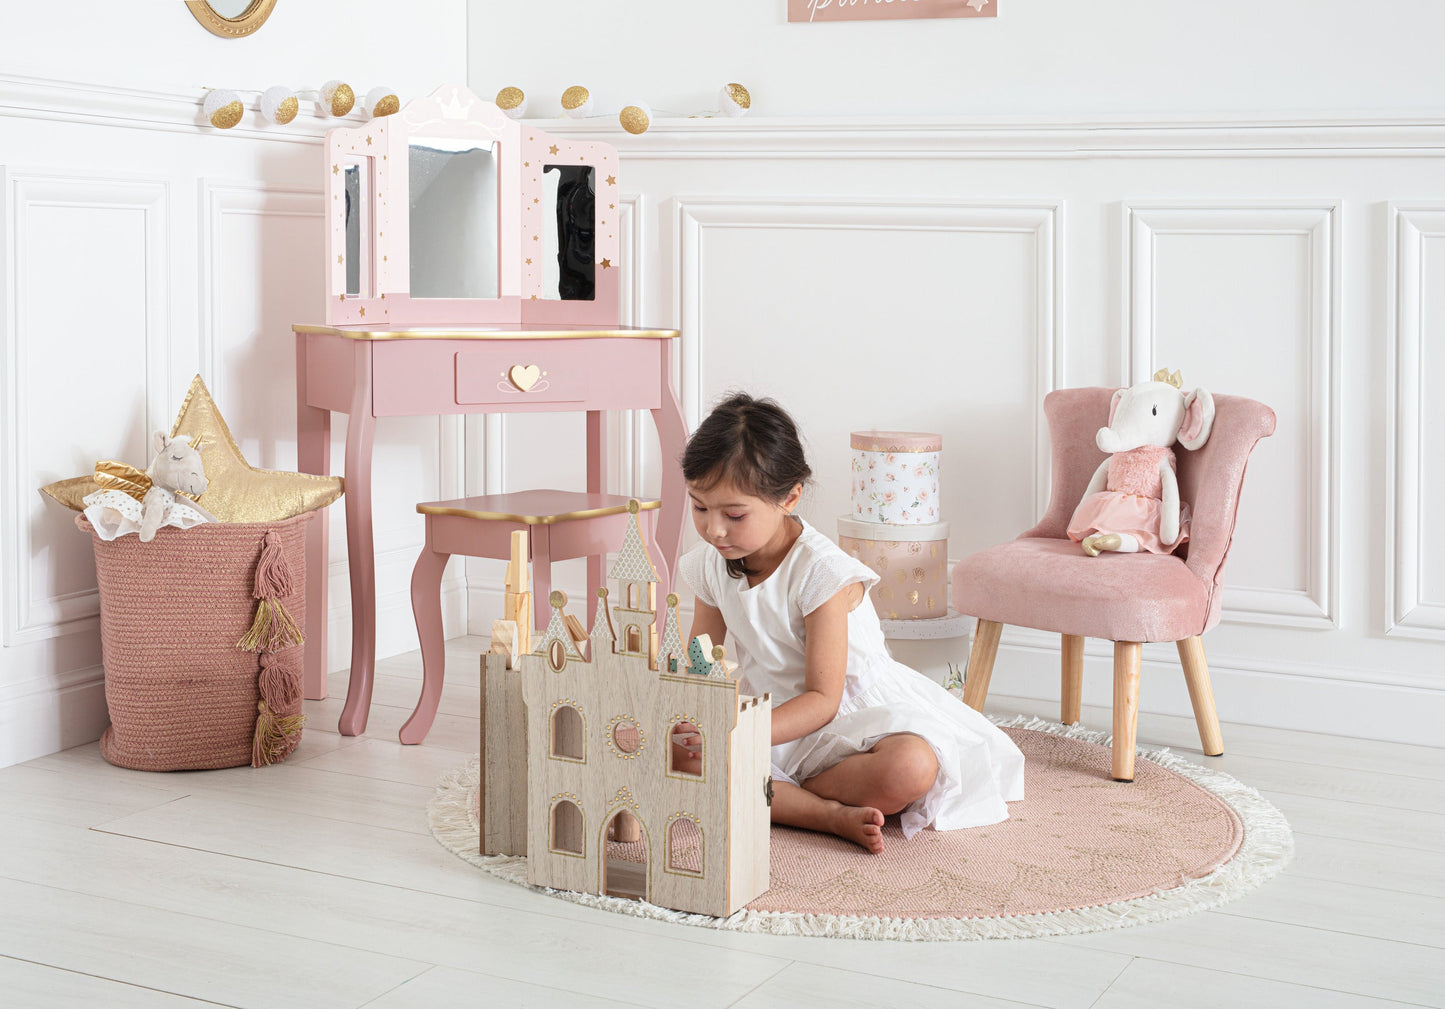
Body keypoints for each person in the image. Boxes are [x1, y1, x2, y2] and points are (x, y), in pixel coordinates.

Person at [676, 393, 1025, 853]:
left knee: (912, 767)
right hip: (766, 714)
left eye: (734, 514)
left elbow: (823, 699)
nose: (714, 529)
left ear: (790, 497)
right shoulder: (709, 565)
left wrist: (739, 733)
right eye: (700, 508)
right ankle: (823, 813)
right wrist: (692, 715)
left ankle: (774, 789)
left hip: (847, 718)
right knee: (675, 749)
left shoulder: (822, 573)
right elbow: (701, 660)